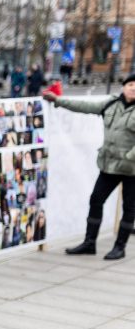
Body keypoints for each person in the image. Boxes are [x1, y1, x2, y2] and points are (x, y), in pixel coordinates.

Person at [44, 74, 135, 259]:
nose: (133, 88)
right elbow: (85, 106)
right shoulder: (111, 104)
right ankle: (89, 242)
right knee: (96, 200)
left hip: (131, 169)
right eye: (131, 84)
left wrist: (130, 156)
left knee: (129, 208)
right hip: (108, 165)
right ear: (124, 86)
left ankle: (120, 247)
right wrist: (58, 101)